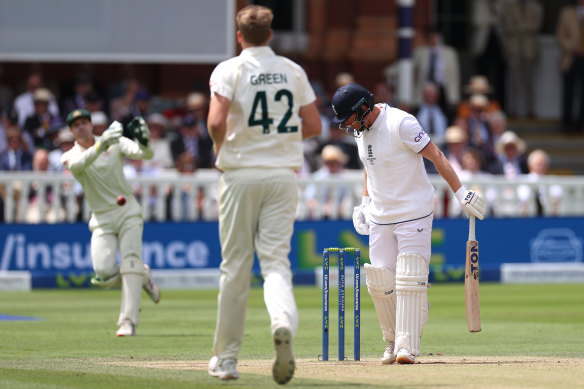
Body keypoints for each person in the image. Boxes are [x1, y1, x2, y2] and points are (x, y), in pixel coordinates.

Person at [206, 4, 321, 384]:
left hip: (240, 173)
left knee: (235, 267)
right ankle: (282, 322)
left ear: (239, 36)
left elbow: (216, 121)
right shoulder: (292, 70)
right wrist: (279, 140)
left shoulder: (229, 69)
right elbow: (314, 125)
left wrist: (222, 148)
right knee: (276, 263)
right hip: (281, 175)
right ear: (270, 35)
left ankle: (225, 360)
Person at [330, 83, 485, 365]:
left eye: (349, 118)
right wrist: (364, 204)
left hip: (414, 211)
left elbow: (436, 155)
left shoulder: (401, 123)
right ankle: (391, 341)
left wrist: (460, 193)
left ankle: (407, 346)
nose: (348, 125)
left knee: (409, 279)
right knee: (380, 281)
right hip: (380, 215)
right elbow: (370, 167)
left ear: (363, 107)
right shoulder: (360, 131)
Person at [61, 108, 161, 337]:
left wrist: (145, 141)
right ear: (71, 131)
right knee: (103, 274)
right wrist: (101, 145)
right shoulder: (69, 156)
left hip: (127, 211)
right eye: (76, 125)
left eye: (85, 122)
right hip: (101, 219)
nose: (82, 127)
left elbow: (145, 155)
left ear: (91, 124)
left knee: (130, 262)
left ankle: (128, 321)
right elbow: (79, 166)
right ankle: (143, 276)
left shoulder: (113, 140)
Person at [500, 0, 543, 118]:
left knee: (530, 81)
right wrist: (526, 26)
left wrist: (518, 25)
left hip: (529, 49)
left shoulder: (536, 7)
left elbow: (536, 25)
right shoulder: (510, 7)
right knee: (513, 81)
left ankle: (531, 110)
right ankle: (513, 110)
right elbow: (508, 26)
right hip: (514, 48)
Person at [556, 0, 584, 133]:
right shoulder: (567, 12)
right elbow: (560, 34)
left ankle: (580, 124)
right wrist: (571, 48)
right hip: (570, 57)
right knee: (569, 92)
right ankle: (567, 124)